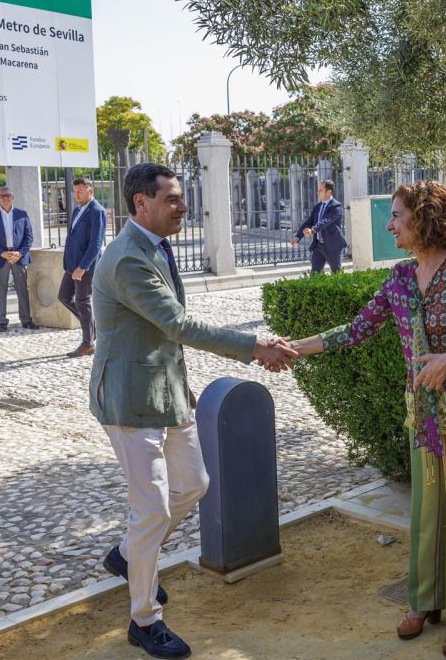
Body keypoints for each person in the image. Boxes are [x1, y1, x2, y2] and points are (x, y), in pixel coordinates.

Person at [289, 179, 446, 657]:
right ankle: (424, 601)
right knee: (425, 511)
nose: (389, 225)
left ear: (423, 220)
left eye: (396, 217)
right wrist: (296, 348)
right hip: (423, 412)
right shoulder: (400, 279)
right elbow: (358, 329)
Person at [91, 162, 299, 659]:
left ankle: (125, 556)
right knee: (152, 509)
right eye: (172, 198)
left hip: (169, 393)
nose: (184, 206)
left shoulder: (154, 246)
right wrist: (254, 346)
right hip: (128, 400)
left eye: (182, 197)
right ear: (141, 203)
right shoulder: (127, 260)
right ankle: (145, 619)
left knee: (195, 485)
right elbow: (178, 324)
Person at [59, 178, 106, 357]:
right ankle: (91, 327)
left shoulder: (97, 211)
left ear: (90, 191)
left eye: (80, 191)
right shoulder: (77, 209)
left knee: (82, 301)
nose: (77, 194)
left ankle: (88, 343)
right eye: (75, 191)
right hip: (72, 264)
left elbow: (95, 243)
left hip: (85, 266)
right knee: (63, 296)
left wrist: (82, 267)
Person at [0, 186, 38, 332]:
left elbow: (29, 236)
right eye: (2, 196)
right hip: (1, 257)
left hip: (18, 257)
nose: (5, 198)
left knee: (22, 290)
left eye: (8, 195)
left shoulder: (22, 214)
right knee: (0, 290)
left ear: (12, 197)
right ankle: (2, 321)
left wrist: (20, 253)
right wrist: (1, 253)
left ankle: (26, 320)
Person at [291, 179, 347, 273]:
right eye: (318, 190)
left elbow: (325, 221)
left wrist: (312, 230)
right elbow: (308, 222)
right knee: (315, 273)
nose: (317, 192)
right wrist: (298, 237)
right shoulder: (317, 206)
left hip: (332, 245)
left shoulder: (337, 207)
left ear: (329, 192)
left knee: (337, 273)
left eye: (320, 190)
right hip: (319, 246)